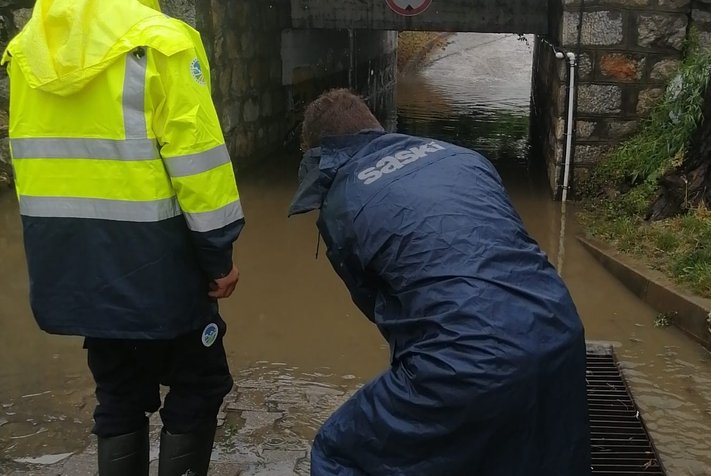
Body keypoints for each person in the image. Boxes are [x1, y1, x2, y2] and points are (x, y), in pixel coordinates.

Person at [289, 88, 591, 475]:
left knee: (339, 453)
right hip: (560, 334)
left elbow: (382, 310)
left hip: (467, 365)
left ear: (321, 153)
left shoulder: (342, 202)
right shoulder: (463, 158)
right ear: (374, 126)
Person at [2, 1, 244, 474]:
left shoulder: (27, 51)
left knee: (118, 393)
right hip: (159, 263)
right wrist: (219, 258)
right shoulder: (163, 41)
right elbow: (200, 166)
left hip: (76, 266)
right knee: (200, 383)